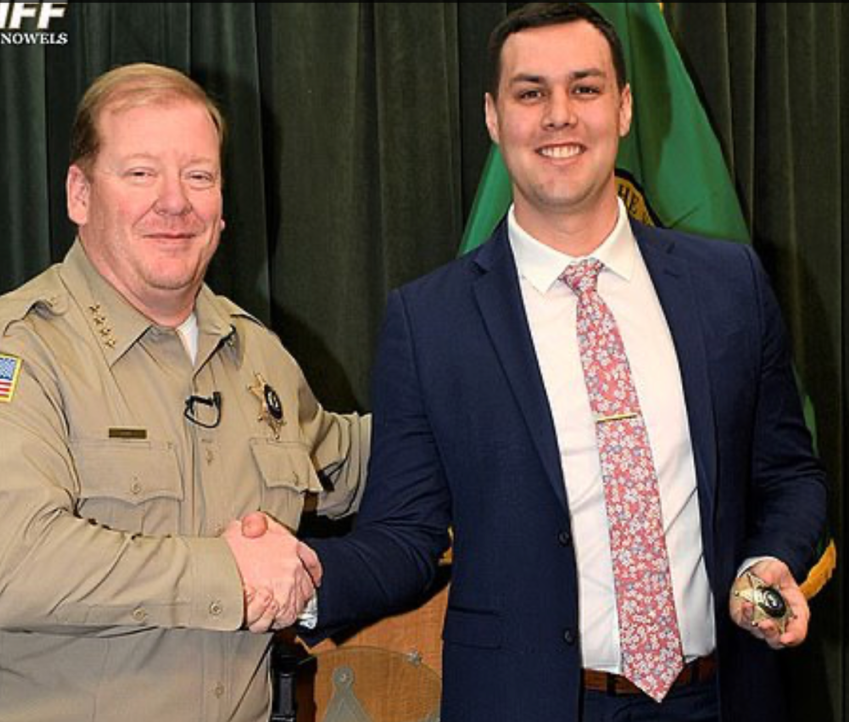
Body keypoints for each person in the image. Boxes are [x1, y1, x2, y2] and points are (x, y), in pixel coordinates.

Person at [304, 4, 827, 722]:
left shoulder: (728, 285)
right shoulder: (429, 322)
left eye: (583, 89)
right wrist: (300, 581)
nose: (558, 115)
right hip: (531, 703)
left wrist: (767, 561)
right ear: (493, 117)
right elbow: (406, 535)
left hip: (721, 696)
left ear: (623, 107)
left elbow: (788, 475)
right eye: (530, 93)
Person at [0, 63, 369, 722]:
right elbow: (13, 569)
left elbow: (340, 459)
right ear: (79, 194)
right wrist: (226, 576)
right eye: (140, 173)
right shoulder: (5, 353)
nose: (175, 202)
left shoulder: (254, 354)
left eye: (199, 176)